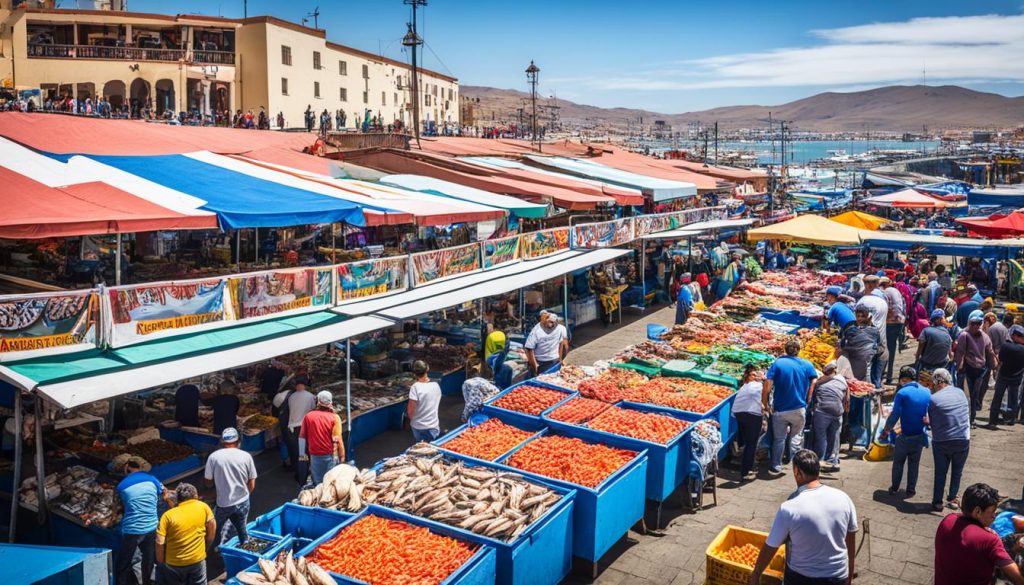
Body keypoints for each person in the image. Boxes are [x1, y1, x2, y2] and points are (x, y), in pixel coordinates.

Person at [747, 450, 858, 585]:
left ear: (797, 472)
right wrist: (849, 574)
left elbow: (771, 546)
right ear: (818, 470)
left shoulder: (789, 508)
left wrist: (756, 573)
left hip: (801, 578)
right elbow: (850, 541)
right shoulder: (844, 498)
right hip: (838, 575)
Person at [934, 483, 1024, 585]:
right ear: (977, 511)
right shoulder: (989, 539)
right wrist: (1015, 550)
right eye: (992, 512)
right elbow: (1016, 577)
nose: (994, 516)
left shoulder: (947, 520)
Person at [762, 340, 818, 475]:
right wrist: (809, 397)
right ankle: (797, 465)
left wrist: (765, 403)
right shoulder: (807, 364)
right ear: (798, 350)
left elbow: (768, 384)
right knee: (796, 437)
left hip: (780, 409)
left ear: (785, 350)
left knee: (779, 439)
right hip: (799, 407)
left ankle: (776, 465)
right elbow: (814, 380)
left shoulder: (778, 363)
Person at [203, 428, 257, 549]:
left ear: (222, 442)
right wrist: (244, 496)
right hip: (243, 501)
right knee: (242, 530)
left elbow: (208, 483)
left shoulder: (214, 457)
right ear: (238, 441)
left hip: (223, 503)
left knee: (216, 530)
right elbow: (252, 483)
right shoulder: (246, 456)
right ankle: (245, 549)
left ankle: (215, 551)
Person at [117, 457, 168, 585]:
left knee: (124, 561)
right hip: (152, 526)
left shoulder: (121, 486)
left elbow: (119, 507)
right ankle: (147, 582)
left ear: (127, 468)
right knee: (149, 558)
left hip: (132, 529)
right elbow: (164, 492)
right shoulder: (152, 479)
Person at [882, 366, 931, 498]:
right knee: (914, 464)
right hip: (920, 434)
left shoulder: (902, 393)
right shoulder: (927, 391)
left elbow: (895, 414)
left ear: (903, 379)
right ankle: (911, 489)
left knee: (898, 462)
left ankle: (895, 487)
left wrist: (886, 429)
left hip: (905, 435)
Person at [927, 368, 971, 512]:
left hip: (942, 442)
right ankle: (952, 498)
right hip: (963, 440)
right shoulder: (961, 393)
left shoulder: (933, 399)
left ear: (935, 383)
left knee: (940, 473)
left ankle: (937, 502)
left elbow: (932, 423)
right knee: (957, 471)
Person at [155, 483, 215, 585]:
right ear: (195, 496)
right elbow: (212, 529)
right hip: (197, 560)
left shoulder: (167, 516)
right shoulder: (203, 507)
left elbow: (159, 543)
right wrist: (204, 549)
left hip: (174, 564)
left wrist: (161, 561)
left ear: (178, 499)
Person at [955, 309, 996, 427]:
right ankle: (963, 418)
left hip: (980, 371)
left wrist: (993, 366)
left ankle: (971, 419)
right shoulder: (964, 335)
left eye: (979, 323)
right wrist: (959, 368)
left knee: (974, 396)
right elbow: (960, 353)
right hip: (967, 369)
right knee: (964, 396)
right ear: (969, 323)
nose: (976, 326)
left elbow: (990, 352)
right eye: (973, 323)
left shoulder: (985, 337)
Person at [272, 376, 316, 483]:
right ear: (304, 385)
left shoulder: (290, 397)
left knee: (296, 452)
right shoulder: (311, 396)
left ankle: (299, 472)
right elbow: (313, 411)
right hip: (304, 427)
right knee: (304, 452)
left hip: (292, 428)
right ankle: (304, 474)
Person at [809, 361, 849, 471]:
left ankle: (821, 459)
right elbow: (846, 400)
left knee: (821, 436)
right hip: (837, 412)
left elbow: (812, 397)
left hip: (822, 412)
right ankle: (833, 460)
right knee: (835, 436)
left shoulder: (819, 382)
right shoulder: (842, 382)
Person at [299, 391, 344, 485]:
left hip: (314, 456)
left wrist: (302, 454)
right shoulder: (335, 417)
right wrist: (342, 457)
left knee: (317, 483)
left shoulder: (308, 416)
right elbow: (338, 440)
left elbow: (302, 437)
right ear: (330, 402)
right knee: (330, 484)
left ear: (318, 401)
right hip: (330, 456)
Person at [855, 274, 889, 388]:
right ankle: (877, 398)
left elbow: (856, 322)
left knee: (866, 375)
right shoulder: (883, 301)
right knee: (877, 377)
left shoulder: (861, 302)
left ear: (866, 285)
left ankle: (868, 401)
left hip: (865, 343)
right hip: (881, 342)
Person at [733, 365, 765, 480]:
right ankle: (745, 472)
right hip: (752, 415)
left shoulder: (745, 387)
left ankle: (742, 460)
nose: (756, 376)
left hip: (739, 413)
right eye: (754, 375)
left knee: (746, 442)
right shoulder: (758, 385)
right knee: (751, 444)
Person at [989, 324, 1024, 427]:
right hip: (1016, 378)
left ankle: (993, 421)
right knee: (1013, 400)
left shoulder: (1005, 345)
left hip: (1003, 375)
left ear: (1013, 335)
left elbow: (1001, 359)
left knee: (997, 399)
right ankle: (1011, 419)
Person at [840, 306, 882, 382]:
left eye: (862, 316)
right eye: (858, 316)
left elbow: (843, 344)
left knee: (866, 374)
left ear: (867, 317)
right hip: (854, 360)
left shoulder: (873, 331)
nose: (860, 318)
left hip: (865, 360)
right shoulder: (851, 330)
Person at [524, 310, 569, 376]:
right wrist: (535, 366)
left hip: (549, 361)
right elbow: (529, 350)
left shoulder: (536, 330)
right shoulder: (536, 331)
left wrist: (560, 360)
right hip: (545, 362)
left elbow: (564, 345)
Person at [407, 360, 442, 442]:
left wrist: (415, 421)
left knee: (421, 450)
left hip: (418, 427)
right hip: (433, 425)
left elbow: (410, 411)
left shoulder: (415, 387)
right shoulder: (436, 385)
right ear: (427, 369)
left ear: (414, 373)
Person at [879, 276, 905, 384]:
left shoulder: (885, 293)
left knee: (884, 349)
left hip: (890, 323)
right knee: (892, 349)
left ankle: (884, 375)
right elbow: (904, 305)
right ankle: (888, 375)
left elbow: (885, 308)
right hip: (899, 322)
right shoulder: (896, 291)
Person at [916, 309, 954, 373]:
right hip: (943, 365)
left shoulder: (925, 331)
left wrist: (917, 358)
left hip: (927, 365)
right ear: (940, 320)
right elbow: (950, 353)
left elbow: (920, 347)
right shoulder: (946, 332)